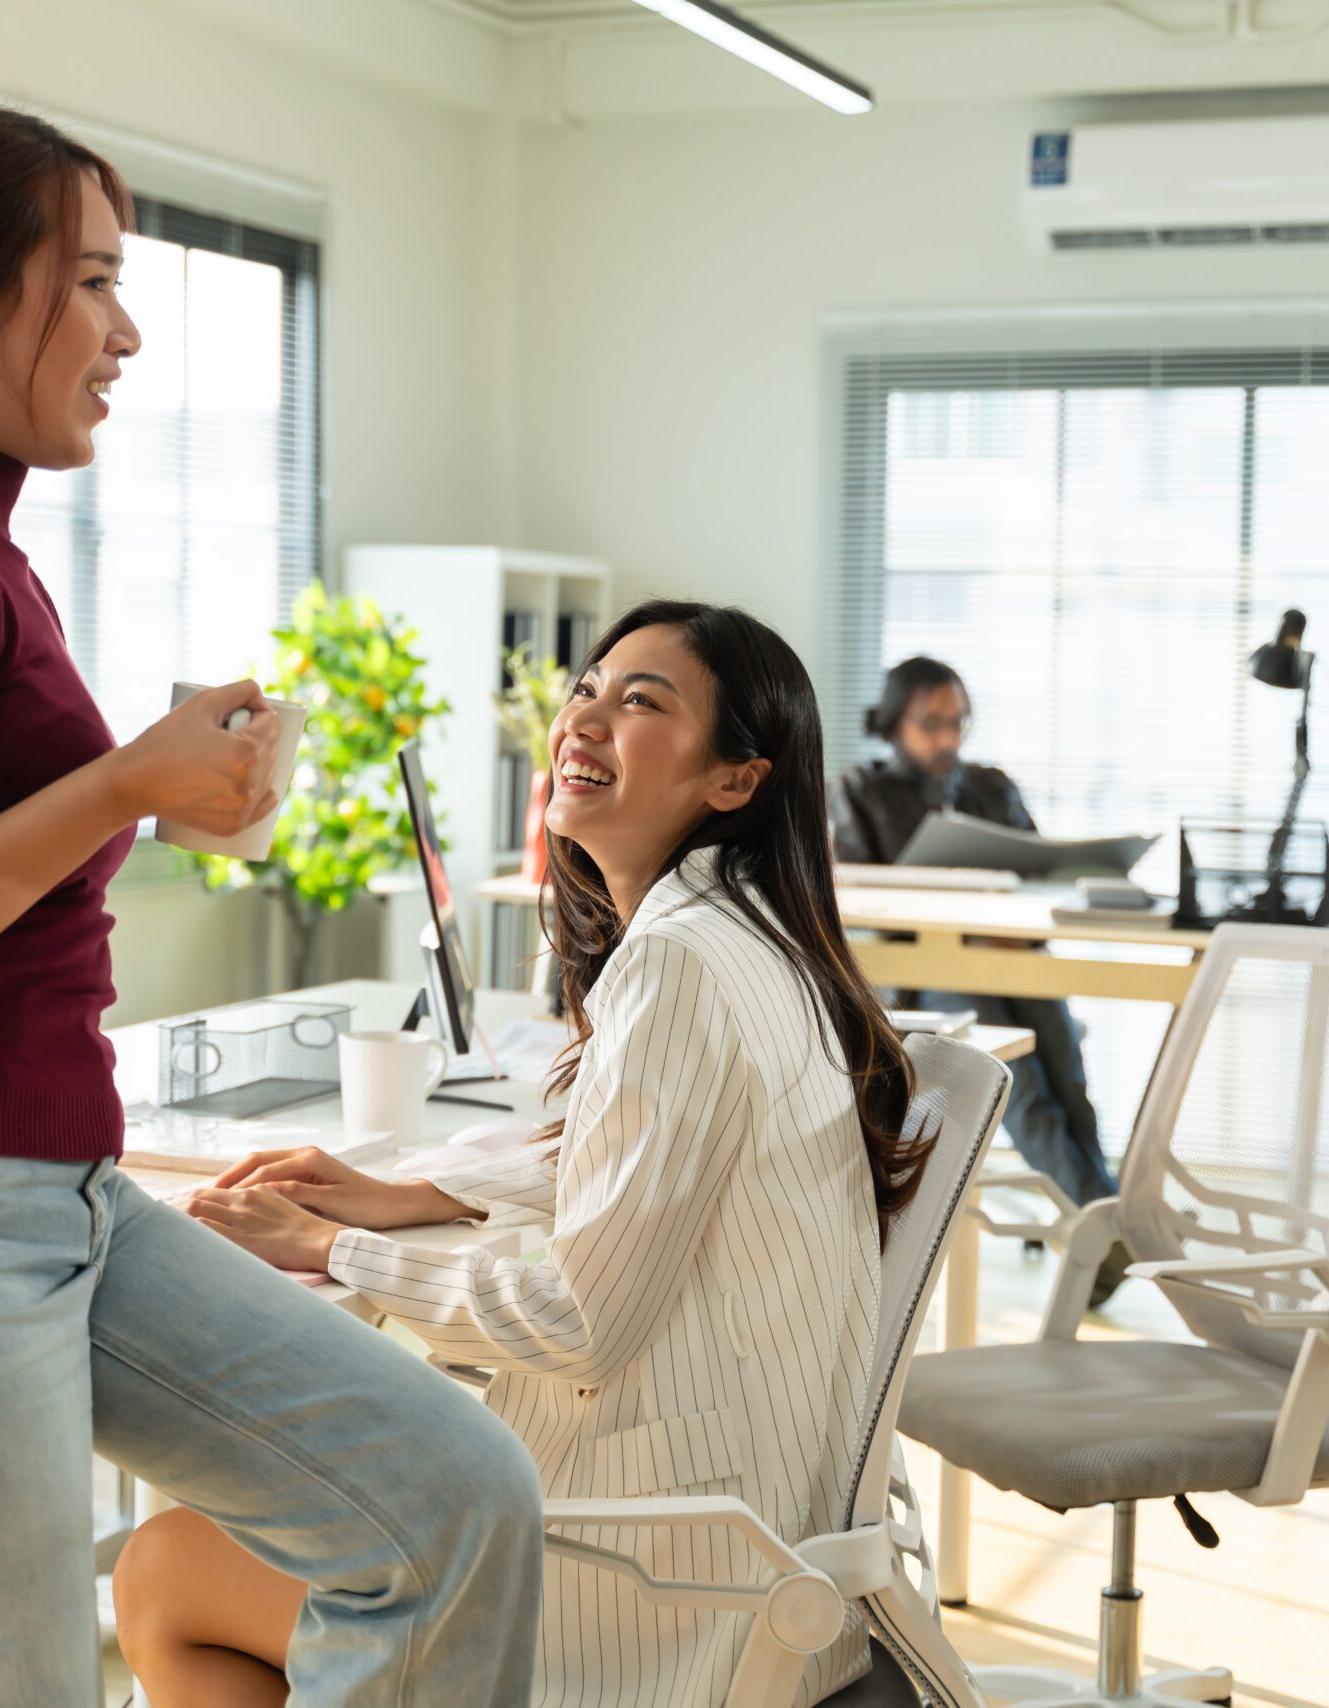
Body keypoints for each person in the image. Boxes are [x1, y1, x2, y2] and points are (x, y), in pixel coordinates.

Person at [0, 100, 540, 1708]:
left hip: (53, 1201)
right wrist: (121, 787)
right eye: (89, 283)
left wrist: (170, 793)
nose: (130, 330)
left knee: (451, 1504)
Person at [112, 601, 934, 1707]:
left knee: (163, 1573)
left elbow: (579, 1319)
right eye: (586, 689)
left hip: (664, 1587)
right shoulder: (745, 934)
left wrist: (341, 1244)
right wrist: (407, 1191)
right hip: (762, 1548)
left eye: (641, 701)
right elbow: (630, 1152)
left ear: (734, 779)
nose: (584, 718)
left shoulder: (681, 965)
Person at [832, 657, 1128, 1286]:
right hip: (932, 969)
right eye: (931, 723)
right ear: (893, 722)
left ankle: (1106, 1224)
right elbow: (856, 900)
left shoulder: (992, 786)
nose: (947, 738)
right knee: (1024, 1082)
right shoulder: (859, 790)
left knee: (1067, 1066)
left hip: (1017, 959)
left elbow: (1042, 870)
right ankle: (1110, 1229)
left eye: (957, 723)